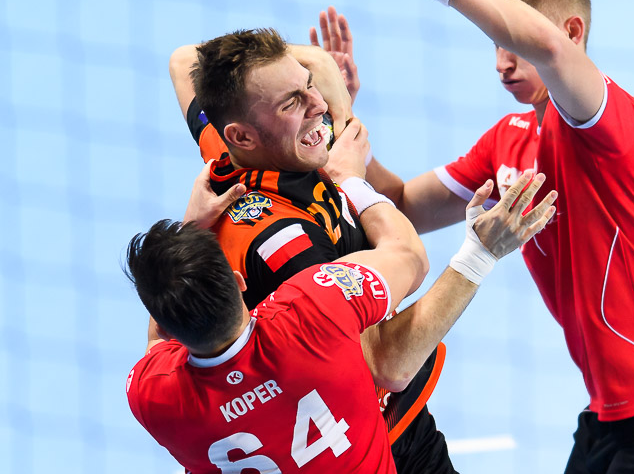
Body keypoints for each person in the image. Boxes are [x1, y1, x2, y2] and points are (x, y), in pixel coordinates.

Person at [341, 0, 634, 472]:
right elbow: (401, 204)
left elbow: (550, 51)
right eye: (495, 44)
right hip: (607, 418)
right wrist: (340, 118)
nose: (501, 63)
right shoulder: (507, 139)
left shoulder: (612, 123)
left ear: (572, 32)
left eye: (512, 42)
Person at [125, 163, 557, 473]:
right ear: (240, 282)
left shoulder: (154, 398)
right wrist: (351, 180)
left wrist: (192, 226)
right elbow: (408, 257)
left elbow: (157, 343)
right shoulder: (311, 307)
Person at [168, 28, 458, 473]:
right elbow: (383, 363)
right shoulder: (286, 243)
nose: (317, 105)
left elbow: (183, 59)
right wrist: (351, 182)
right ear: (243, 136)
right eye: (291, 104)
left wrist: (320, 74)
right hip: (372, 445)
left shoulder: (229, 151)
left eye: (309, 88)